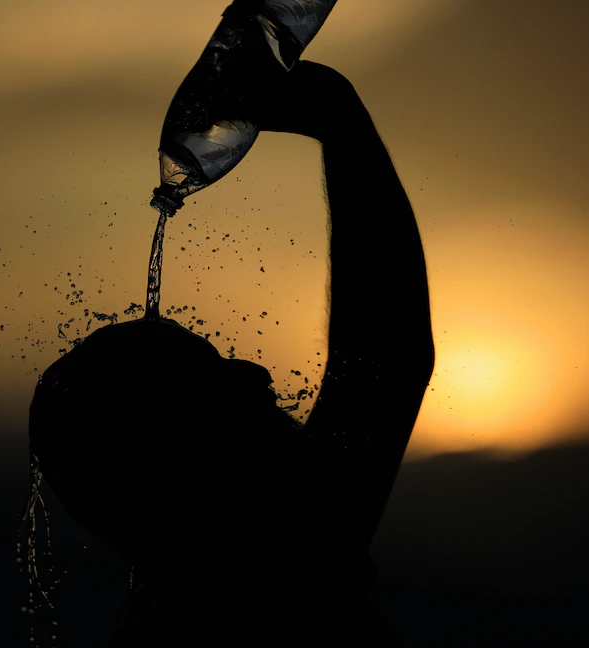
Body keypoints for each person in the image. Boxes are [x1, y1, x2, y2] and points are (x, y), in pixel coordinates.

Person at [28, 60, 434, 646]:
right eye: (209, 382)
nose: (254, 372)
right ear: (174, 460)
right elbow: (384, 359)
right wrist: (342, 124)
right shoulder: (276, 568)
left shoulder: (177, 604)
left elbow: (386, 364)